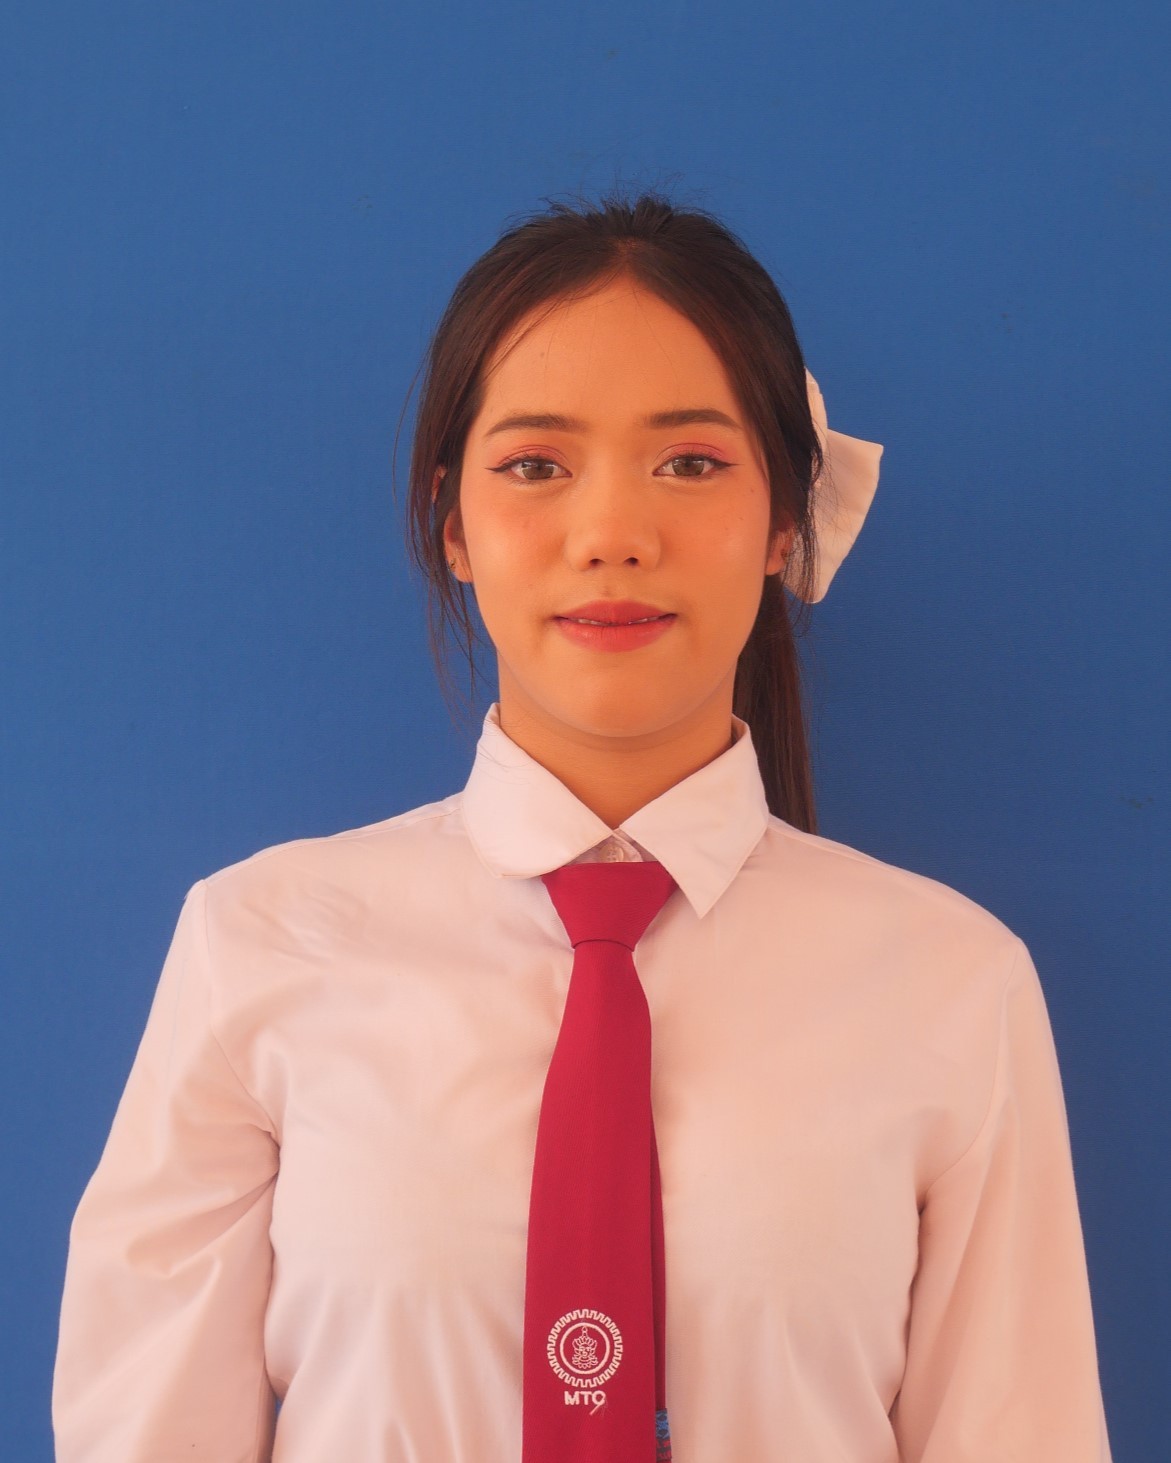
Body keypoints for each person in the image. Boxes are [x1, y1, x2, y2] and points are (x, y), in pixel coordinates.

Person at [51, 190, 1114, 1461]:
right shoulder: (258, 942)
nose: (612, 534)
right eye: (535, 466)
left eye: (691, 462)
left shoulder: (952, 984)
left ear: (784, 519)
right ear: (452, 521)